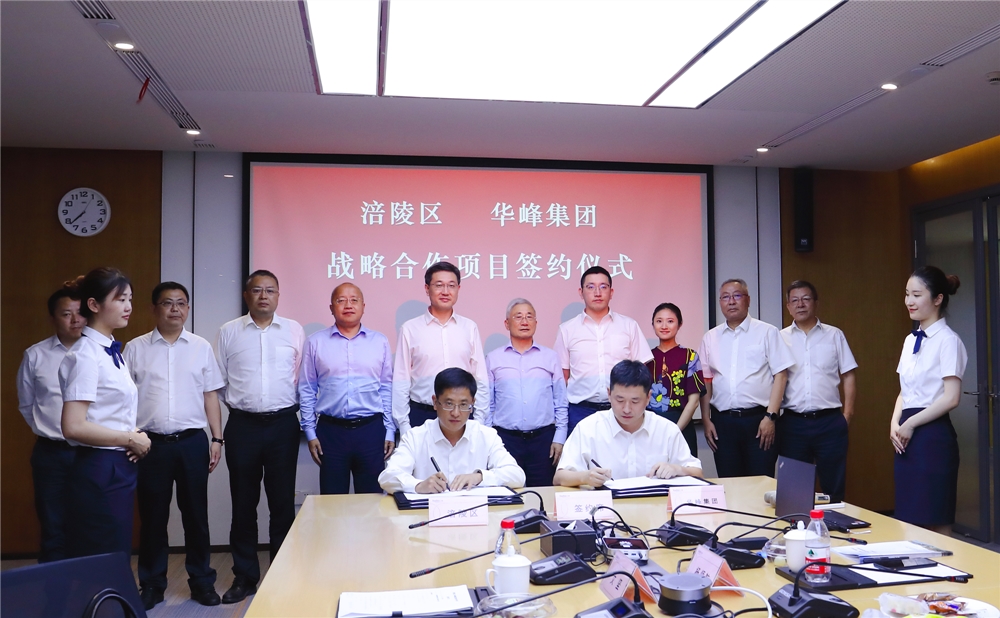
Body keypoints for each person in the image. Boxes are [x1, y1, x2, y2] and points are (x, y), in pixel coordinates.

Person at [123, 282, 225, 609]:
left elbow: (211, 395)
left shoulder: (200, 347)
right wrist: (129, 436)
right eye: (168, 303)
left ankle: (202, 581)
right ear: (154, 308)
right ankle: (152, 584)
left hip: (192, 442)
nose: (175, 309)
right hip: (150, 445)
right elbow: (124, 399)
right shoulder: (135, 348)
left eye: (181, 303)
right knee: (153, 518)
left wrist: (217, 438)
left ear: (188, 309)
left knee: (196, 515)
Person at [215, 270, 305, 604]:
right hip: (243, 426)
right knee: (243, 504)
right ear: (246, 295)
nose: (263, 296)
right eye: (257, 290)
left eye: (270, 290)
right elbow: (219, 381)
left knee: (282, 505)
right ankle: (245, 577)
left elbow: (300, 378)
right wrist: (244, 406)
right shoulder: (228, 331)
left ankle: (282, 575)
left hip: (283, 425)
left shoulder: (294, 330)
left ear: (278, 295)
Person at [59, 267, 151, 561]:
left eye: (130, 299)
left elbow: (111, 413)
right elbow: (73, 426)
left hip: (117, 464)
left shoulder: (110, 351)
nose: (128, 306)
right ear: (94, 305)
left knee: (116, 549)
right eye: (120, 299)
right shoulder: (86, 354)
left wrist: (134, 436)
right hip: (100, 466)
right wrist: (130, 439)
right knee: (103, 554)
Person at [299, 283, 395, 495]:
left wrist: (389, 429)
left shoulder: (379, 342)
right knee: (332, 501)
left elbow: (387, 388)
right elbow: (306, 389)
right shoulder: (315, 342)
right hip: (331, 432)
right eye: (341, 300)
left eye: (354, 300)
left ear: (363, 306)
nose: (348, 305)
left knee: (372, 501)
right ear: (331, 308)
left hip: (371, 431)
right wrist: (310, 433)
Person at [891, 266, 966, 533]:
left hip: (932, 436)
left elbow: (951, 398)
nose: (909, 301)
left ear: (937, 299)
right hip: (905, 438)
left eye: (917, 294)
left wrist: (910, 424)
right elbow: (904, 391)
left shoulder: (948, 341)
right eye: (907, 294)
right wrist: (895, 423)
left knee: (935, 518)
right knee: (908, 518)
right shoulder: (909, 340)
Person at [16, 281, 85, 563]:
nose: (75, 319)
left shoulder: (101, 354)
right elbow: (27, 404)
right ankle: (56, 583)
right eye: (66, 313)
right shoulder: (35, 355)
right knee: (52, 522)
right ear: (53, 318)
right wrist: (49, 431)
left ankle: (90, 582)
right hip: (51, 452)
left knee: (89, 521)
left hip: (90, 451)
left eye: (80, 312)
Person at [698, 279, 793, 478]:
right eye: (725, 297)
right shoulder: (710, 337)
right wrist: (706, 419)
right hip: (723, 423)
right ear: (720, 302)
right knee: (730, 483)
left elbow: (781, 375)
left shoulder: (767, 332)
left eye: (737, 295)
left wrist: (771, 417)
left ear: (748, 300)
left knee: (761, 482)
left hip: (759, 421)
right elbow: (706, 381)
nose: (731, 301)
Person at [554, 360, 702, 488]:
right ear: (609, 394)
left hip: (655, 509)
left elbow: (698, 473)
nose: (626, 409)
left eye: (635, 401)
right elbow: (559, 478)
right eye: (619, 400)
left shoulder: (666, 429)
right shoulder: (588, 428)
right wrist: (585, 477)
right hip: (605, 509)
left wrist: (678, 469)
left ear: (648, 397)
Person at [379, 368, 525, 494]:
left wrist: (480, 477)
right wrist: (418, 486)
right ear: (435, 402)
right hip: (428, 514)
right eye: (449, 404)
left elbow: (517, 475)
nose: (456, 413)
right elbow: (387, 477)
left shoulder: (486, 436)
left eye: (463, 405)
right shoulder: (415, 437)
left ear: (472, 404)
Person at [778, 281, 858, 503]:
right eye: (794, 300)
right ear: (788, 306)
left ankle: (834, 524)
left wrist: (847, 415)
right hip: (793, 424)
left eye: (806, 299)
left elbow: (849, 375)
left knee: (834, 486)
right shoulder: (780, 338)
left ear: (815, 303)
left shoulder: (834, 335)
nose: (800, 304)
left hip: (829, 422)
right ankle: (796, 524)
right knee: (794, 489)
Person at [554, 266, 653, 435]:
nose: (597, 293)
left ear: (611, 292)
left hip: (622, 410)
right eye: (590, 287)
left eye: (603, 287)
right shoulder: (567, 330)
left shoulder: (629, 326)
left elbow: (641, 371)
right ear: (581, 292)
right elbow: (561, 378)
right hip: (580, 411)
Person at [392, 261, 488, 433]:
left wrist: (479, 421)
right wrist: (404, 425)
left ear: (458, 289)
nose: (445, 291)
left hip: (462, 415)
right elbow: (401, 380)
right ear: (427, 288)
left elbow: (480, 378)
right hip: (422, 414)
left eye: (451, 285)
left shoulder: (469, 327)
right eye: (439, 285)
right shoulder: (410, 329)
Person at [485, 298, 568, 487]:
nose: (524, 321)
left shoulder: (550, 357)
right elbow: (487, 404)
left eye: (529, 316)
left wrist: (559, 438)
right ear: (506, 323)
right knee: (508, 494)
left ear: (536, 323)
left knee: (543, 494)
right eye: (518, 317)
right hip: (505, 441)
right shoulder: (493, 358)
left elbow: (561, 402)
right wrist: (490, 441)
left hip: (543, 441)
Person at [646, 302, 704, 457]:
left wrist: (675, 431)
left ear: (680, 324)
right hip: (651, 429)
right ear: (653, 324)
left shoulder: (690, 356)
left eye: (670, 321)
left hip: (681, 427)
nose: (664, 326)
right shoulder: (645, 358)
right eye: (659, 321)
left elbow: (694, 401)